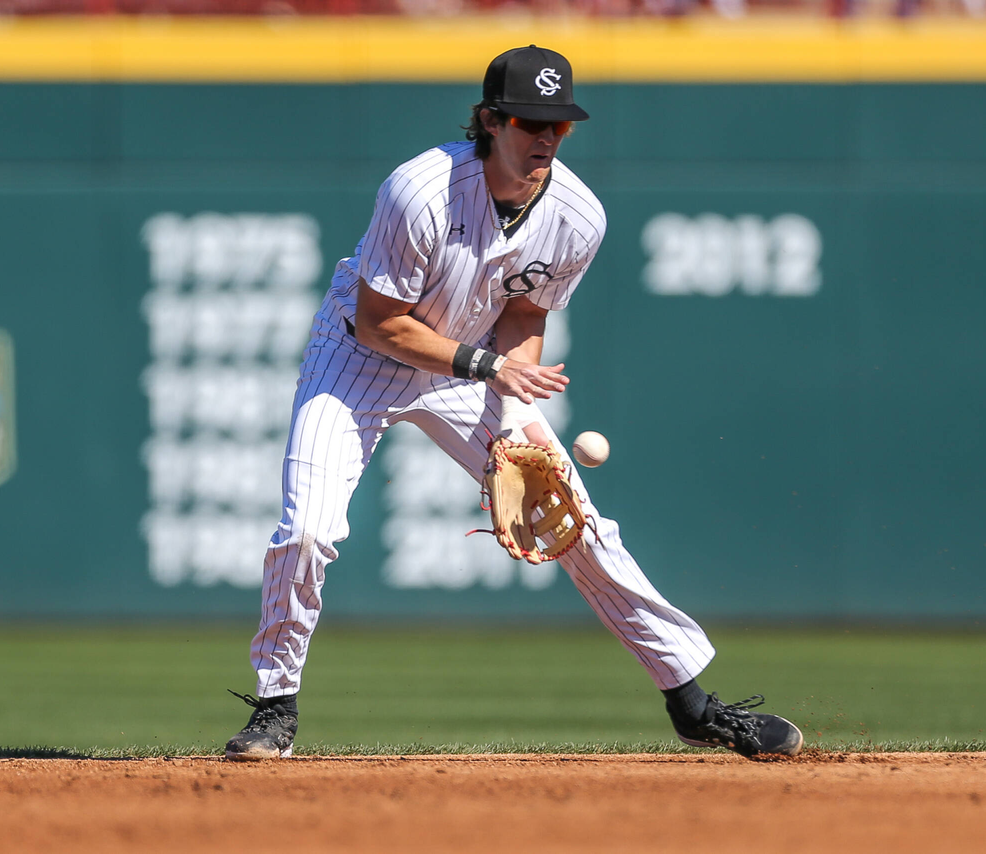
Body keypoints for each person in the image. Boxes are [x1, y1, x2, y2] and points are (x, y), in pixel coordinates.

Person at [224, 45, 803, 762]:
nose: (546, 138)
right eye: (531, 122)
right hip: (358, 359)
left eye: (559, 125)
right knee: (307, 531)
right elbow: (380, 323)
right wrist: (489, 368)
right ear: (491, 121)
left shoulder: (577, 215)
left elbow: (525, 314)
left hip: (473, 368)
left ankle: (693, 705)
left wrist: (512, 410)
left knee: (577, 524)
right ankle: (275, 707)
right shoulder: (419, 191)